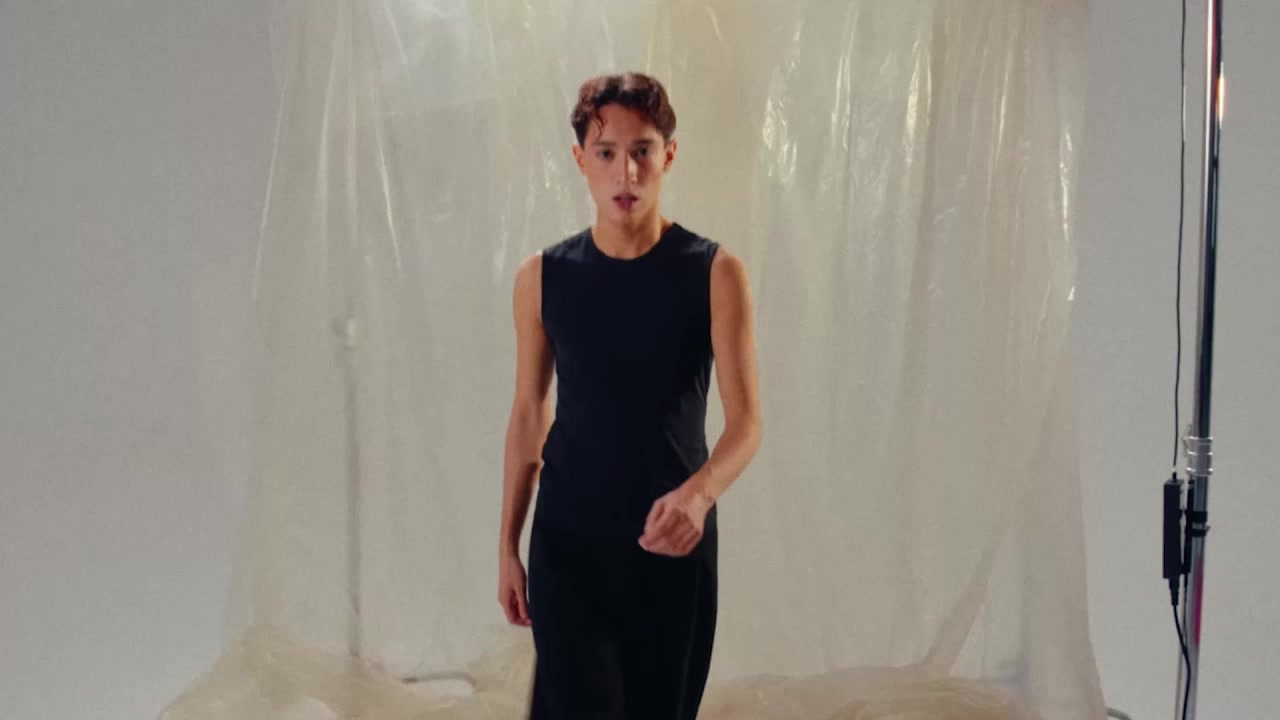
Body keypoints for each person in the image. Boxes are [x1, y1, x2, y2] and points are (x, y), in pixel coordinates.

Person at [497, 71, 763, 720]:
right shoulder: (542, 278)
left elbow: (747, 423)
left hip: (670, 545)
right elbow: (529, 414)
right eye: (607, 153)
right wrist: (507, 546)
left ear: (668, 154)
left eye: (642, 150)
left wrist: (699, 496)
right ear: (580, 159)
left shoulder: (715, 272)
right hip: (568, 544)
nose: (626, 173)